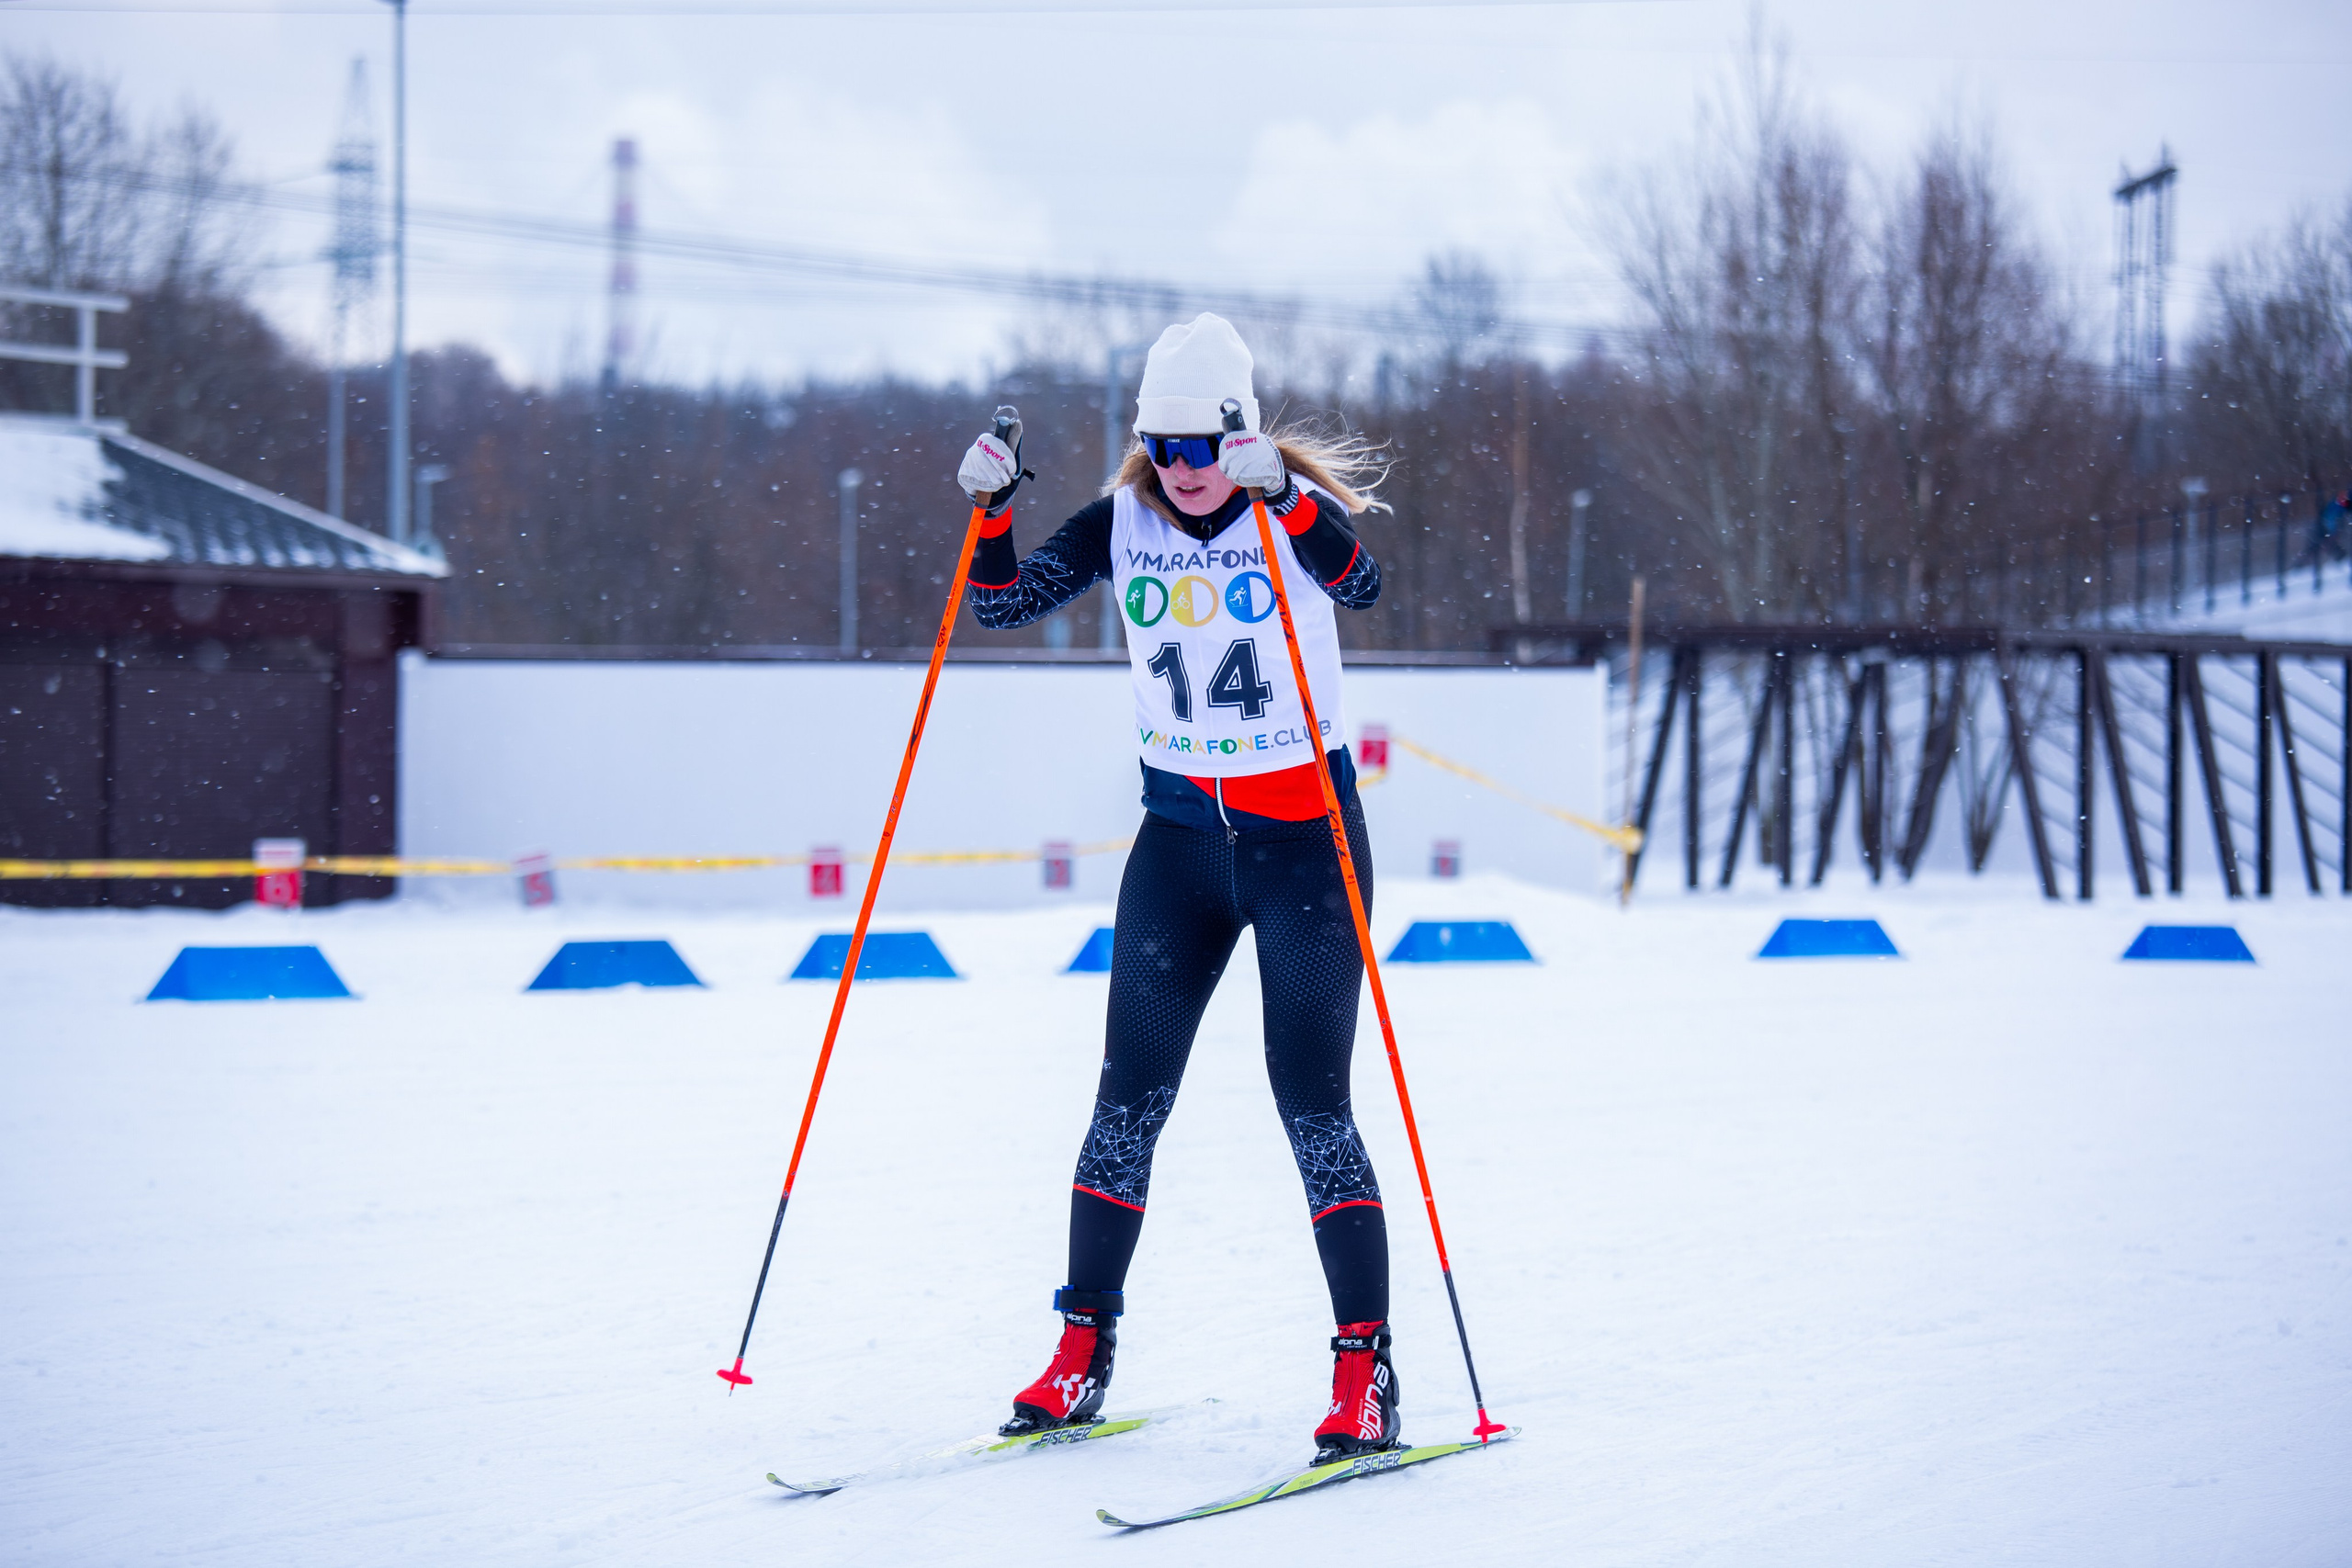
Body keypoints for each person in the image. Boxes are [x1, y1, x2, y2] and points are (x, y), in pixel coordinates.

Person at [953, 313, 1402, 1461]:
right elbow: (997, 606)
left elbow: (1364, 587)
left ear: (1242, 433)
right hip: (1180, 847)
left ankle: (1365, 1372)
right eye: (1161, 446)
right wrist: (991, 515)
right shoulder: (1125, 521)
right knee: (1124, 1102)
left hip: (1307, 849)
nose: (1183, 470)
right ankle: (1078, 1351)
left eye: (1202, 446)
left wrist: (1289, 501)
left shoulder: (1293, 517)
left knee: (1312, 1107)